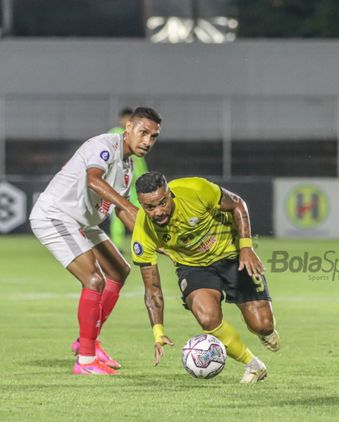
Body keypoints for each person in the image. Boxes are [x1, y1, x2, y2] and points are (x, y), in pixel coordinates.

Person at [29, 107, 162, 375]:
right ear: (128, 128)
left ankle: (87, 341)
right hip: (55, 215)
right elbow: (93, 180)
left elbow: (121, 211)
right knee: (94, 280)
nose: (147, 141)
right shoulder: (104, 146)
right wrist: (128, 204)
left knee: (119, 269)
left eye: (154, 136)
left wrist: (151, 240)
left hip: (82, 221)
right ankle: (86, 362)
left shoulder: (128, 166)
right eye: (143, 132)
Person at [131, 172, 280, 384]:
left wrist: (246, 247)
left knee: (262, 325)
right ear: (142, 204)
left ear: (169, 194)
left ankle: (266, 331)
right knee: (207, 317)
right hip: (193, 267)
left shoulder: (195, 190)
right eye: (150, 207)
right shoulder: (143, 230)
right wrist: (158, 331)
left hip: (232, 254)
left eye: (162, 203)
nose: (158, 212)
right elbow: (152, 287)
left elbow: (238, 204)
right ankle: (253, 365)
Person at [109, 108, 150, 252]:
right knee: (118, 214)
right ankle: (117, 245)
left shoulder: (138, 135)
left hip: (135, 185)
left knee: (141, 213)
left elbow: (140, 161)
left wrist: (144, 176)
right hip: (119, 183)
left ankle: (145, 242)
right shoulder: (114, 133)